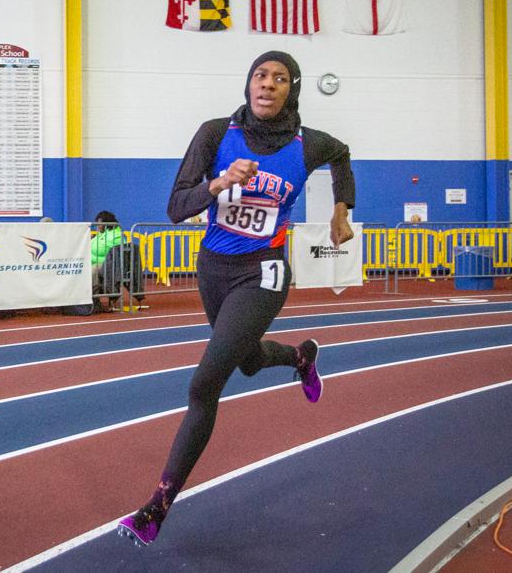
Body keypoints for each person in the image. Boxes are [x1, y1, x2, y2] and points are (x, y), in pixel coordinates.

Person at [117, 51, 355, 547]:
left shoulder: (307, 144)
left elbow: (342, 154)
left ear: (293, 89)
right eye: (260, 76)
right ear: (248, 85)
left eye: (280, 79)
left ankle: (156, 507)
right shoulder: (214, 134)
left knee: (205, 385)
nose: (268, 85)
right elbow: (176, 207)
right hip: (214, 270)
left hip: (263, 272)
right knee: (247, 363)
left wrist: (340, 209)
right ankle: (300, 356)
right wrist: (218, 183)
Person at [91, 211, 123, 291]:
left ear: (107, 224)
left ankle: (94, 297)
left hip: (110, 265)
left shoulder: (116, 236)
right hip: (98, 263)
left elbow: (108, 254)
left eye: (100, 223)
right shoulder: (101, 234)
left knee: (92, 270)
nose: (98, 226)